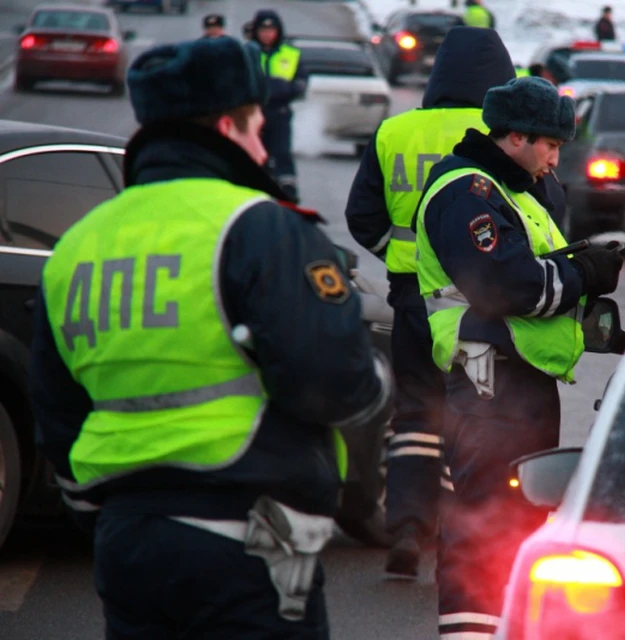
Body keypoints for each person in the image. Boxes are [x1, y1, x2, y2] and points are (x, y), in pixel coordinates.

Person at [28, 37, 393, 639]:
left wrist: (104, 511)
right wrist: (377, 383)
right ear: (229, 125)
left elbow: (57, 411)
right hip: (246, 542)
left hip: (126, 541)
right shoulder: (259, 224)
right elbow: (333, 384)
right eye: (257, 126)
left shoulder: (77, 246)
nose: (263, 144)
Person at [413, 76, 624, 639]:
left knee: (513, 524)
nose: (555, 161)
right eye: (550, 146)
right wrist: (583, 275)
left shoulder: (509, 192)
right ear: (514, 138)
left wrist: (578, 267)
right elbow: (506, 286)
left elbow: (530, 268)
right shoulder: (468, 193)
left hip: (515, 384)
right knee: (483, 528)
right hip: (490, 388)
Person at [346, 26, 516, 580]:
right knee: (475, 416)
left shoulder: (395, 131)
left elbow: (362, 219)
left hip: (411, 303)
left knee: (415, 415)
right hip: (480, 307)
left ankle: (408, 527)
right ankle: (464, 537)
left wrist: (409, 261)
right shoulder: (503, 133)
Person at [251, 9, 307, 203]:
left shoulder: (290, 54)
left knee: (282, 152)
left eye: (271, 30)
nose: (267, 35)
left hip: (280, 112)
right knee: (255, 154)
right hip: (253, 114)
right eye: (263, 30)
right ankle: (255, 188)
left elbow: (301, 81)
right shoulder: (248, 53)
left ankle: (288, 190)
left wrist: (287, 90)